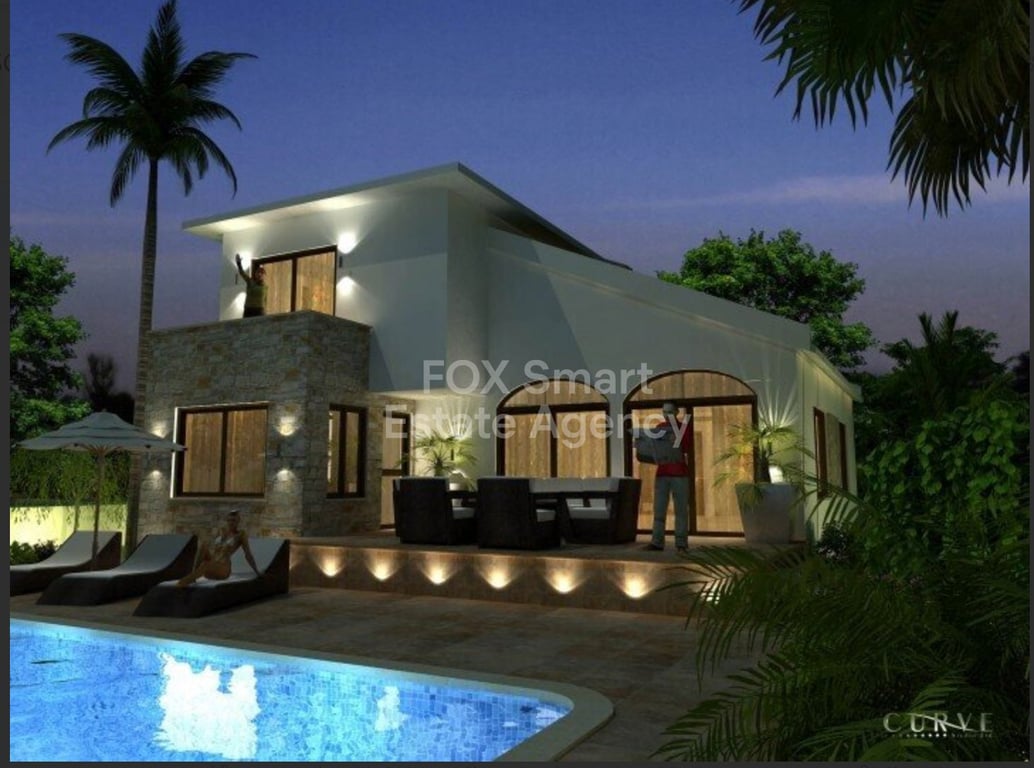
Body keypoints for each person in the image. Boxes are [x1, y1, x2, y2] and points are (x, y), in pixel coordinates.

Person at [645, 402, 691, 553]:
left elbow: (687, 447)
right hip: (662, 473)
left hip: (680, 474)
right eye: (664, 412)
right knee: (659, 510)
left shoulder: (684, 427)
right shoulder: (659, 427)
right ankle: (657, 542)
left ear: (677, 412)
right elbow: (653, 450)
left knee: (681, 510)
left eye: (669, 412)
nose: (666, 415)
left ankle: (681, 543)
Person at [177, 509, 262, 586]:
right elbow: (214, 549)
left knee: (206, 564)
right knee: (203, 546)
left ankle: (184, 582)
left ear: (238, 521)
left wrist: (257, 572)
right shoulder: (222, 531)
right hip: (212, 566)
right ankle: (193, 576)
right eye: (229, 520)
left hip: (223, 569)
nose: (231, 522)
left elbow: (248, 554)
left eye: (234, 520)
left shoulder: (240, 534)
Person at [235, 253, 267, 318]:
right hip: (249, 310)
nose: (260, 274)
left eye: (262, 273)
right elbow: (242, 273)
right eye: (258, 272)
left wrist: (265, 312)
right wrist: (239, 264)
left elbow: (265, 300)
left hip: (259, 310)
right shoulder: (250, 281)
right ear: (255, 274)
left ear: (264, 275)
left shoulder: (265, 286)